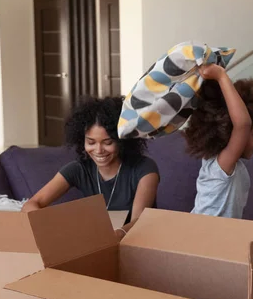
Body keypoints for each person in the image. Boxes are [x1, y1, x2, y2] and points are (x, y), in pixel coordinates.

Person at [22, 97, 160, 240]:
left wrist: (115, 235)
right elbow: (31, 204)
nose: (98, 150)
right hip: (94, 243)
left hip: (136, 243)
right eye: (91, 142)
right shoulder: (78, 169)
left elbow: (139, 222)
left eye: (107, 142)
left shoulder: (145, 169)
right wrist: (50, 225)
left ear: (122, 141)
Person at [184, 65, 253, 218]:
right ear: (230, 133)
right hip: (201, 235)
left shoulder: (228, 164)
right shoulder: (220, 165)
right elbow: (242, 124)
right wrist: (221, 76)